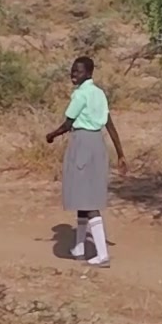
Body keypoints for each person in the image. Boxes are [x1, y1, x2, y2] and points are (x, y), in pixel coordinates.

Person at [43, 55, 124, 266]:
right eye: (72, 70)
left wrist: (51, 135)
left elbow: (68, 124)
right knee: (82, 196)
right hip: (97, 143)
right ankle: (79, 246)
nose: (73, 74)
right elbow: (109, 124)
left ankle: (102, 254)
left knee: (87, 199)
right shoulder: (99, 94)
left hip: (82, 143)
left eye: (77, 71)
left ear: (88, 73)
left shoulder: (81, 95)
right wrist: (120, 153)